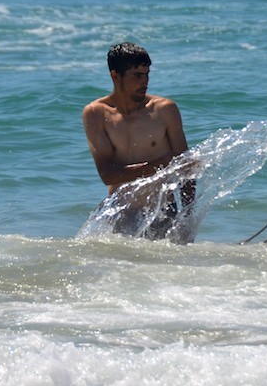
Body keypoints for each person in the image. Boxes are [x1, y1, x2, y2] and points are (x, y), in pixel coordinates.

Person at [82, 42, 195, 239]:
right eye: (137, 76)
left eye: (147, 74)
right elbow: (107, 175)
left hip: (163, 212)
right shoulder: (95, 113)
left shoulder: (164, 110)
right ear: (115, 76)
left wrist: (187, 218)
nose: (145, 82)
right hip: (120, 214)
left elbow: (186, 170)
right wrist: (161, 164)